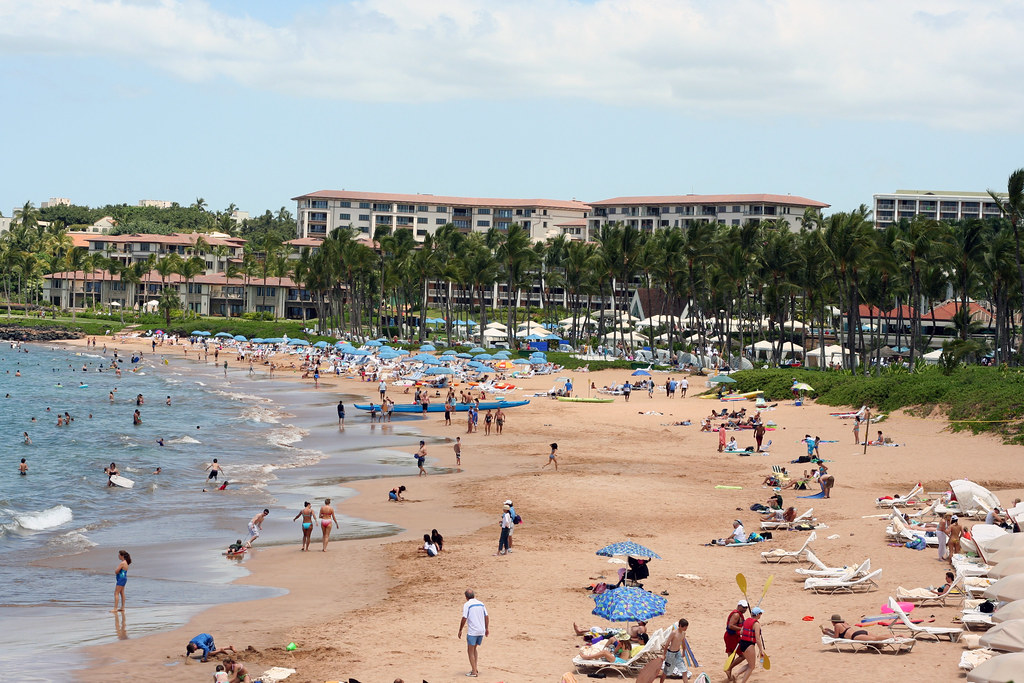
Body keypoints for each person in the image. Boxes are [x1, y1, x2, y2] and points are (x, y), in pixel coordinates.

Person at [726, 606, 766, 683]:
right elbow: (757, 639)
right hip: (749, 645)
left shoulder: (747, 620)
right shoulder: (756, 624)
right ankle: (741, 679)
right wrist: (761, 650)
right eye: (760, 613)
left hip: (742, 644)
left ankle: (736, 674)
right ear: (758, 614)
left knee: (750, 664)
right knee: (752, 667)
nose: (761, 615)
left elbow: (741, 632)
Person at [458, 589, 488, 678]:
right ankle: (475, 668)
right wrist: (486, 628)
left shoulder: (467, 604)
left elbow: (464, 618)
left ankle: (474, 671)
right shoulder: (481, 603)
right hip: (481, 630)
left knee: (470, 651)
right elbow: (486, 616)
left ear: (466, 597)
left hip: (473, 631)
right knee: (474, 649)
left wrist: (460, 630)